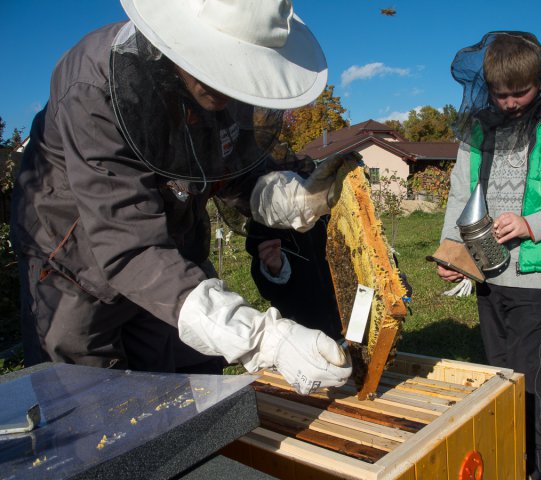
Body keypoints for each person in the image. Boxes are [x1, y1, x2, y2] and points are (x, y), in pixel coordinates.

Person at [10, 0, 352, 395]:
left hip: (173, 253)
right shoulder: (93, 86)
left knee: (179, 389)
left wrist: (296, 198)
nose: (227, 83)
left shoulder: (224, 94)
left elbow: (233, 172)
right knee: (88, 405)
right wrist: (261, 339)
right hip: (75, 266)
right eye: (220, 62)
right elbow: (129, 247)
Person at [436, 31, 541, 479]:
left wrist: (532, 225)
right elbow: (460, 194)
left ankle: (536, 459)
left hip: (536, 273)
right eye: (500, 94)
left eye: (520, 92)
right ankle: (505, 448)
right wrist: (452, 254)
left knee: (528, 373)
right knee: (497, 370)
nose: (510, 103)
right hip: (487, 273)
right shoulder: (476, 131)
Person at [246, 214, 343, 341]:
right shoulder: (264, 225)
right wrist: (275, 268)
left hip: (353, 314)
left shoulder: (329, 209)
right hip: (306, 329)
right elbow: (268, 290)